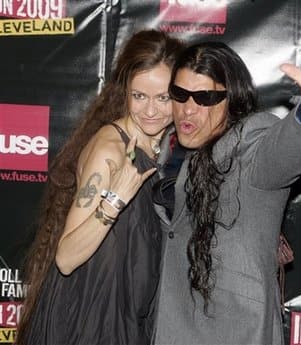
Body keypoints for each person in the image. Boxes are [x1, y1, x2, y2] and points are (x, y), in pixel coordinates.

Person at [152, 25, 301, 345]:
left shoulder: (250, 141)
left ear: (232, 98)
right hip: (170, 325)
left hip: (233, 332)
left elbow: (286, 150)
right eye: (179, 95)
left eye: (205, 97)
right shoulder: (171, 147)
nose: (187, 109)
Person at [15, 29, 184, 345]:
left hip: (126, 311)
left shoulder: (161, 145)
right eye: (139, 96)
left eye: (163, 98)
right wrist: (114, 199)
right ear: (124, 93)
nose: (151, 111)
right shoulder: (111, 151)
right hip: (89, 319)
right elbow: (65, 257)